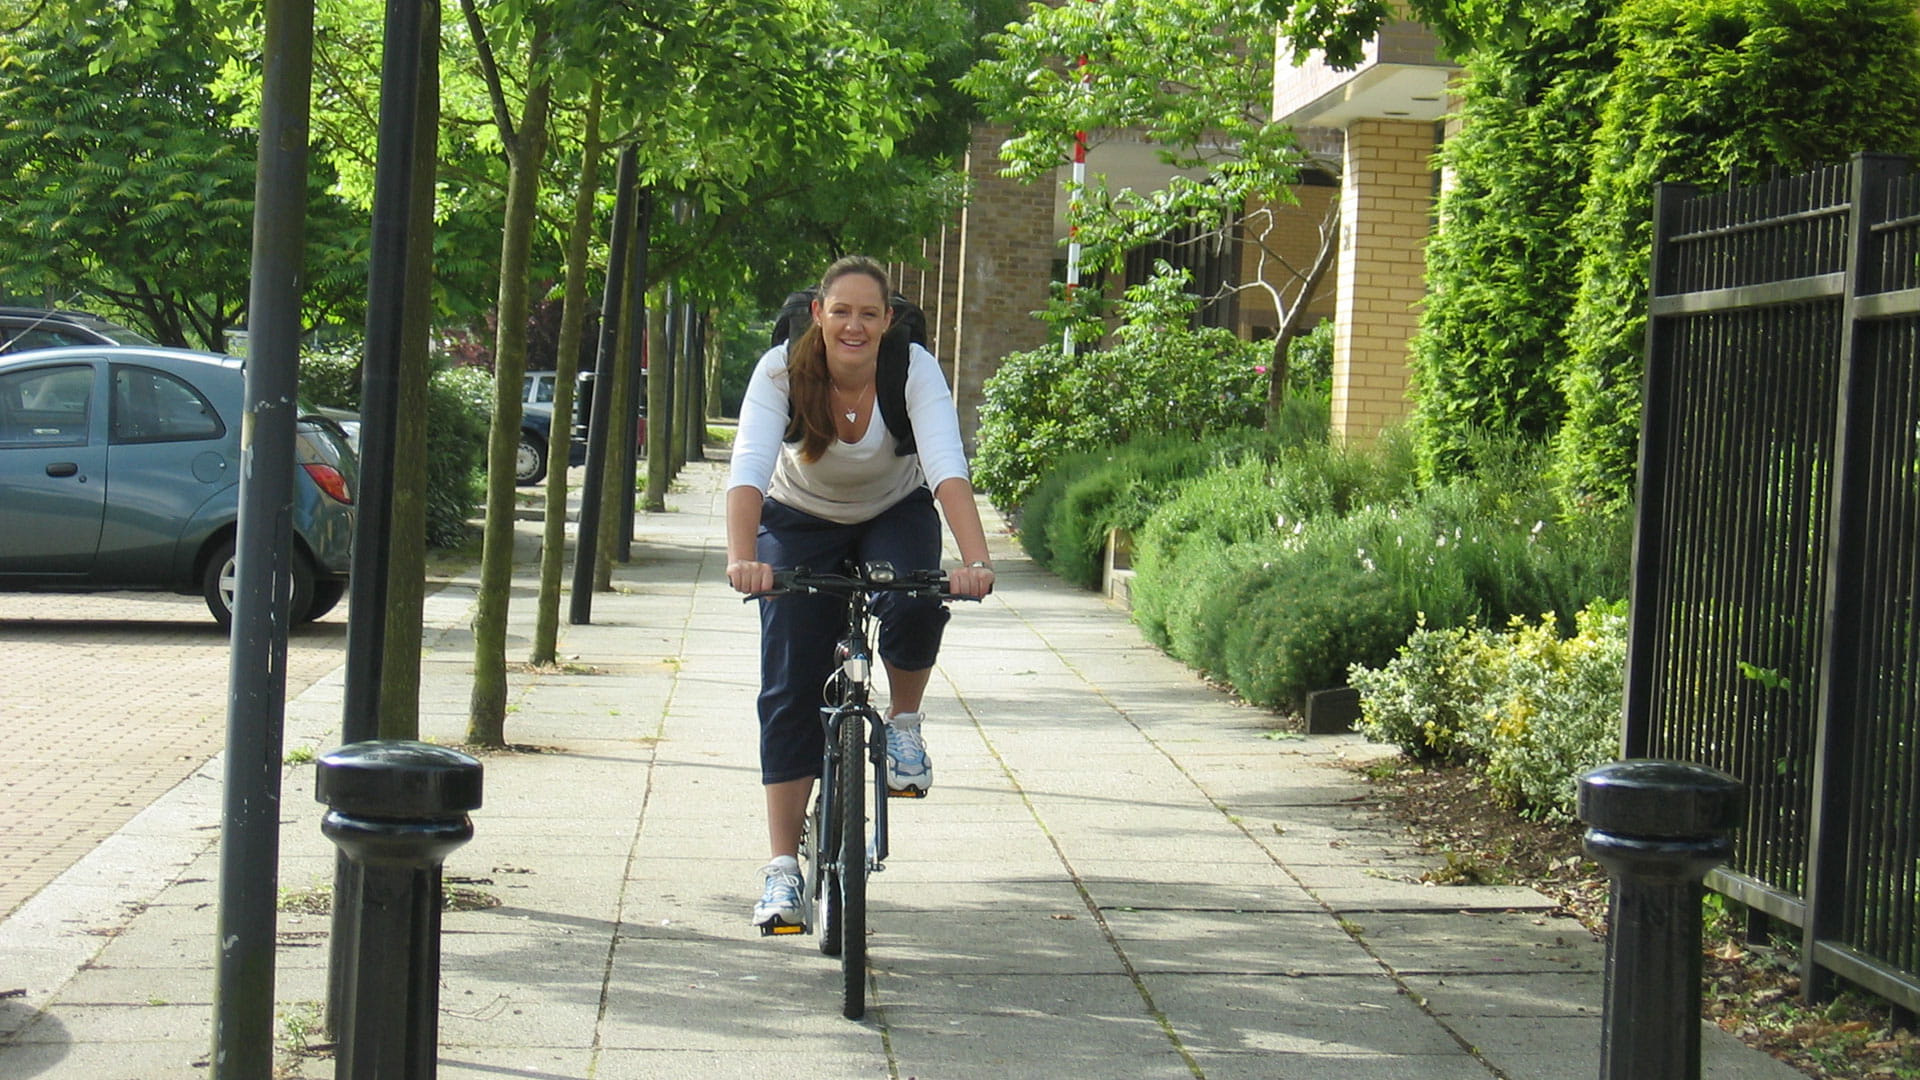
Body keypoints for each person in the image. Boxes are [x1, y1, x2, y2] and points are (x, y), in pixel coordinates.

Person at [726, 255, 995, 932]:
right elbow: (750, 468)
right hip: (798, 517)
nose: (854, 325)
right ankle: (783, 871)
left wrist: (976, 558)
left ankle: (904, 727)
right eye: (840, 311)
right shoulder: (781, 371)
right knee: (789, 679)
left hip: (892, 511)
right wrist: (742, 559)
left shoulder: (911, 370)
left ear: (888, 321)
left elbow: (944, 466)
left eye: (868, 314)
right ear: (817, 314)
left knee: (914, 599)